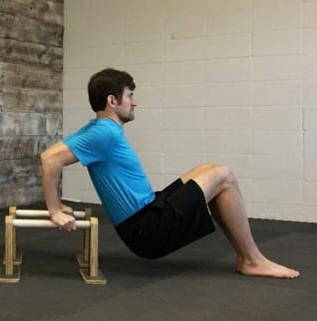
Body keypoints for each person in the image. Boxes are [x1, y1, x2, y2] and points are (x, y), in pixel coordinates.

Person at [41, 67, 300, 279]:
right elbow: (49, 158)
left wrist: (57, 203)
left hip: (150, 210)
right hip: (147, 230)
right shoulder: (103, 132)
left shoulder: (97, 129)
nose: (134, 102)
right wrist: (54, 209)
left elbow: (53, 156)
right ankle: (252, 260)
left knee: (209, 170)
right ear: (112, 100)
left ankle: (248, 258)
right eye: (129, 96)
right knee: (224, 175)